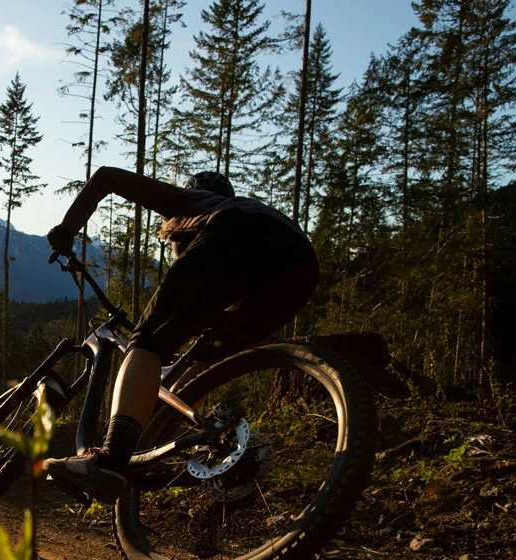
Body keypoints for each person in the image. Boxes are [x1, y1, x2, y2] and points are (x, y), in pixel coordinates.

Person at [42, 166, 319, 504]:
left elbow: (107, 177)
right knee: (207, 354)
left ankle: (110, 459)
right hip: (299, 267)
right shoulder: (245, 209)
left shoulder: (193, 201)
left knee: (148, 340)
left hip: (239, 232)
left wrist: (67, 229)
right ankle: (160, 447)